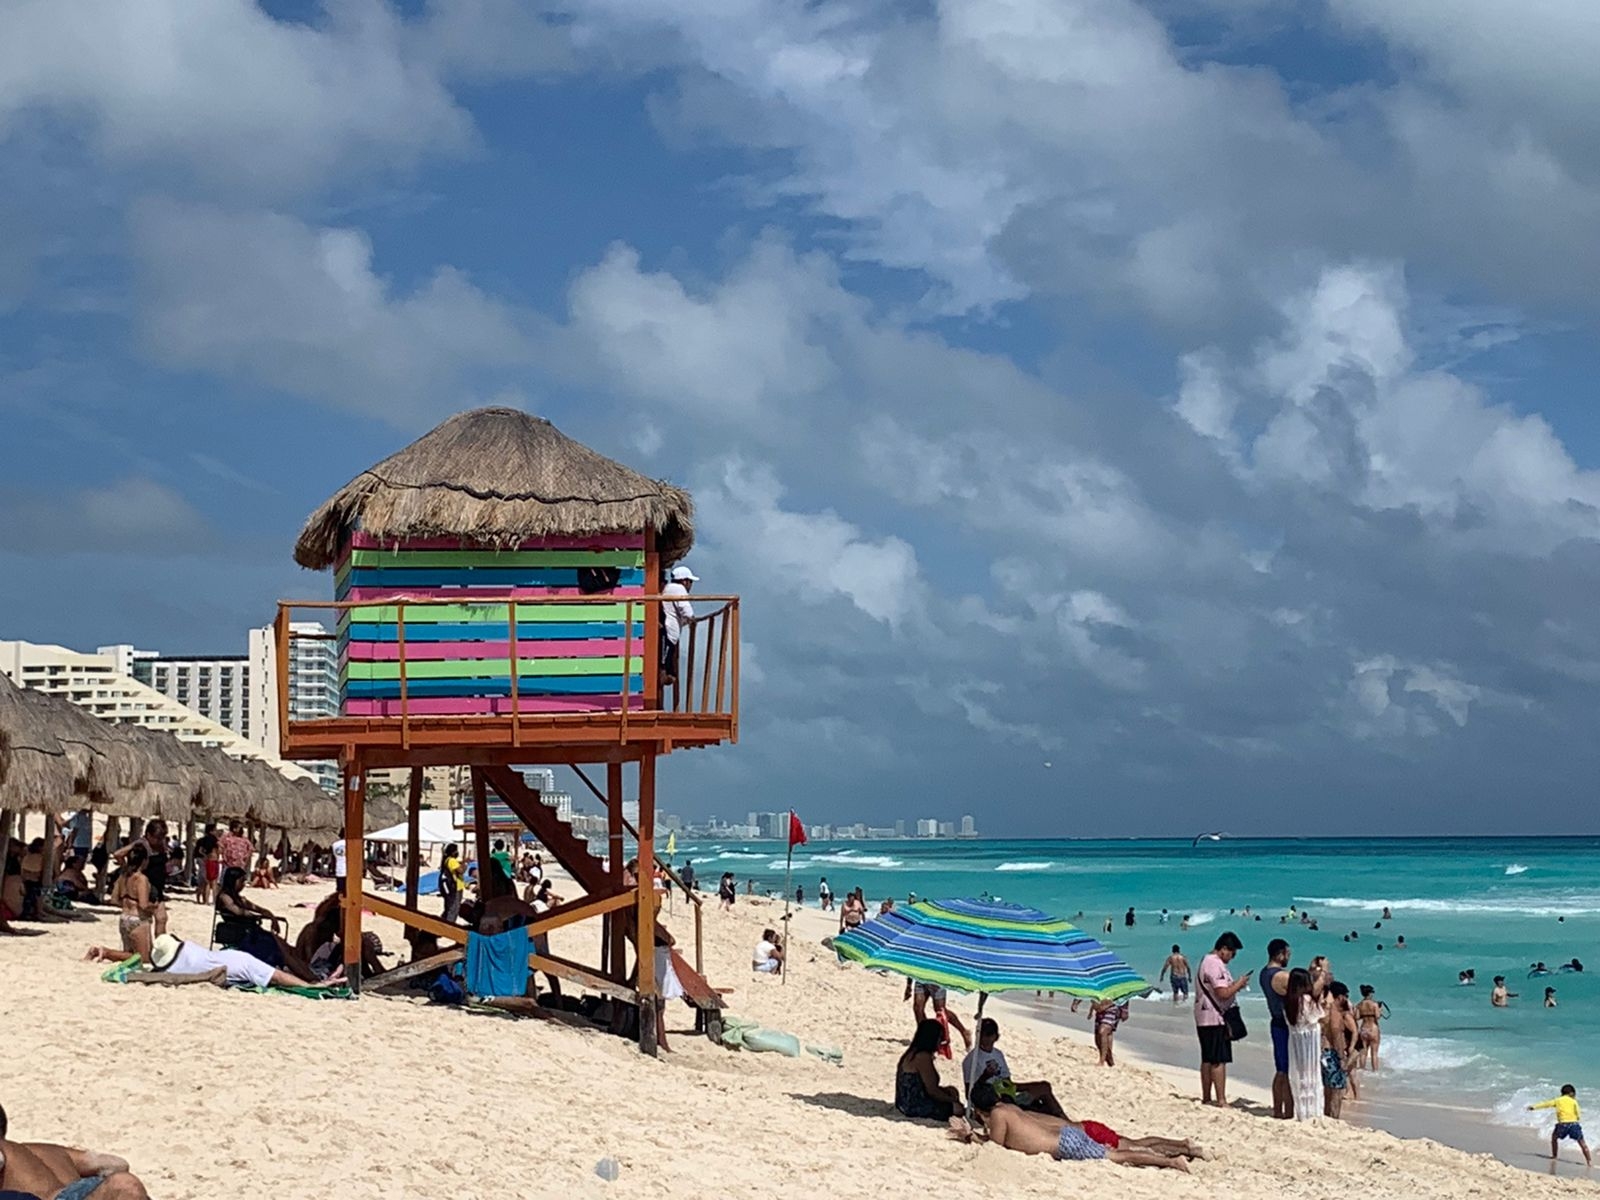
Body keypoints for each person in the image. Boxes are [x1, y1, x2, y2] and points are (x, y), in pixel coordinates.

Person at [963, 1083, 1196, 1170]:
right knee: (1122, 1151)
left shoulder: (997, 1114)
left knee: (1119, 1156)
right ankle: (1172, 1154)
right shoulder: (1008, 1107)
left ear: (979, 1108)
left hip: (1064, 1144)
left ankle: (1170, 1161)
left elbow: (996, 1146)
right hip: (1066, 1134)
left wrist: (969, 1136)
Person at [0, 1101, 151, 1199]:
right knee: (125, 1185)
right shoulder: (50, 1150)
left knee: (123, 1185)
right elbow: (117, 1163)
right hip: (92, 1189)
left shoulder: (6, 1150)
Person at [214, 867, 317, 979]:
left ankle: (306, 971)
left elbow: (256, 908)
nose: (243, 884)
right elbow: (238, 912)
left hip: (249, 931)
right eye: (241, 881)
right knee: (281, 949)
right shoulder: (225, 897)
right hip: (239, 933)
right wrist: (256, 916)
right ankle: (308, 976)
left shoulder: (238, 898)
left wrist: (271, 916)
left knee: (285, 946)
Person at [148, 932, 342, 990]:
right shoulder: (188, 947)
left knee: (275, 973)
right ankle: (311, 985)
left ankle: (312, 982)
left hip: (225, 963)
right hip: (229, 959)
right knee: (276, 974)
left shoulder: (171, 969)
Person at [961, 1018, 1065, 1117]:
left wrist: (1021, 1087)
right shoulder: (972, 1060)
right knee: (1043, 1094)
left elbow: (1007, 1081)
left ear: (996, 1037)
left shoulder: (998, 1054)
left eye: (989, 1034)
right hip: (994, 1099)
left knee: (1044, 1088)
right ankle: (1064, 1120)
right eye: (983, 1034)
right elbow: (970, 1093)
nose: (986, 1038)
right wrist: (985, 1076)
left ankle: (1061, 1118)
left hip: (1005, 1091)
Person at [1195, 931, 1249, 1107]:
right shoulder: (1214, 964)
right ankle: (1221, 1099)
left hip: (1205, 1014)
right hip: (1214, 1016)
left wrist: (1235, 986)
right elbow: (1222, 993)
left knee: (1208, 1057)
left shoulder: (1207, 961)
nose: (1232, 958)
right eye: (1232, 953)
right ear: (1224, 949)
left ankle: (1207, 1097)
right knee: (1218, 1059)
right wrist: (1239, 984)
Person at [895, 1020, 963, 1120]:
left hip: (904, 1102)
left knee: (952, 1090)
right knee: (957, 1109)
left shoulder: (911, 1053)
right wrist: (952, 1101)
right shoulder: (922, 1057)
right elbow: (932, 1090)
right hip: (914, 1105)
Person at [1259, 938, 1294, 1119]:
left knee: (1281, 1068)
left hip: (1276, 1020)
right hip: (1285, 1024)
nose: (1289, 957)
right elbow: (1304, 993)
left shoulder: (1264, 973)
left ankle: (1278, 1109)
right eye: (1287, 954)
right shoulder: (1281, 976)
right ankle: (1286, 1111)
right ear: (1280, 954)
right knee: (1285, 1069)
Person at [1283, 967, 1323, 1122]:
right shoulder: (1307, 1000)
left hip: (1295, 1039)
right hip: (1309, 1040)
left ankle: (1302, 1112)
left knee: (1299, 1073)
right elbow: (1316, 1017)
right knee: (1312, 1073)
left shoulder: (1288, 1001)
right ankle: (1313, 1112)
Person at [1528, 1084, 1591, 1167]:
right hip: (1574, 1124)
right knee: (1582, 1143)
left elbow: (1546, 1104)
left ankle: (1554, 1156)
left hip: (1563, 1124)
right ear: (1571, 1093)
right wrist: (1576, 1119)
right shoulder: (1574, 1101)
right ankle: (1589, 1161)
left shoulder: (1558, 1100)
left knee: (1554, 1138)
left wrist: (1534, 1107)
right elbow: (1578, 1113)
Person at [1321, 981, 1358, 1117]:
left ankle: (1327, 1115)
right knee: (1337, 1090)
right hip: (1332, 1053)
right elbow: (1336, 1034)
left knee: (1328, 1089)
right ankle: (1334, 1117)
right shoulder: (1335, 1013)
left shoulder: (1327, 1010)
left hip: (1325, 1053)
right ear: (1341, 997)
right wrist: (1342, 1058)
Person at [909, 978, 972, 1052]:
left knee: (940, 1010)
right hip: (921, 977)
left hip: (937, 980)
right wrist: (908, 985)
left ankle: (964, 1032)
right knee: (917, 1008)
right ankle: (924, 1037)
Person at [661, 564, 697, 685]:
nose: (691, 585)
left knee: (668, 658)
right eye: (690, 582)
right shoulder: (678, 589)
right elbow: (684, 607)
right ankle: (664, 676)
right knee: (665, 661)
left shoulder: (668, 588)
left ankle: (667, 675)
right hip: (670, 629)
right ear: (685, 581)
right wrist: (691, 618)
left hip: (669, 628)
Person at [1355, 984, 1388, 1069]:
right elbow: (1377, 1016)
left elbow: (1357, 1017)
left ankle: (1362, 1070)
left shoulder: (1359, 1005)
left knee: (1363, 1052)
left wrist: (1364, 1014)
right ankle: (1375, 1072)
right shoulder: (1374, 1004)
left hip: (1363, 1028)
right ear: (1370, 994)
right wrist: (1380, 1010)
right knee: (1374, 1053)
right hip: (1373, 1028)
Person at [1091, 996, 1129, 1067]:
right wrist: (1076, 1002)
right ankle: (1109, 1059)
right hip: (1099, 1011)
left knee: (1103, 1031)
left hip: (1112, 1009)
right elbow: (1087, 993)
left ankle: (1101, 1061)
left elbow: (1124, 993)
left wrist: (1125, 1010)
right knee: (1098, 1040)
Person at [439, 842, 466, 923]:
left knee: (449, 907)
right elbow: (460, 871)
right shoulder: (452, 861)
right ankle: (449, 925)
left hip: (451, 887)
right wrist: (465, 864)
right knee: (454, 908)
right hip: (455, 887)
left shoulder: (447, 860)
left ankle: (443, 921)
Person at [194, 822, 220, 906]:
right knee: (214, 882)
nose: (216, 831)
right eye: (215, 830)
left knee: (206, 882)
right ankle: (214, 901)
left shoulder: (202, 839)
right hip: (213, 860)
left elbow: (200, 850)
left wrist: (205, 856)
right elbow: (219, 849)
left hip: (206, 860)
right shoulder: (214, 839)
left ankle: (205, 900)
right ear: (211, 831)